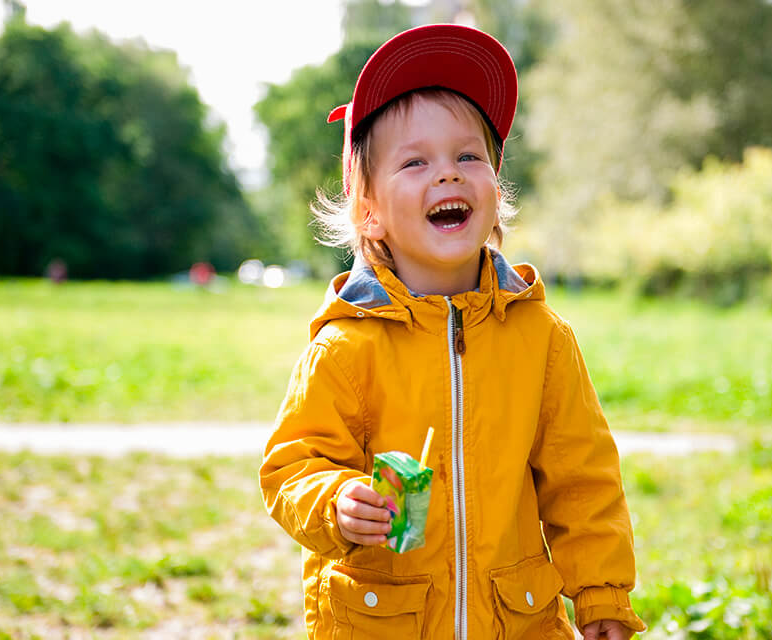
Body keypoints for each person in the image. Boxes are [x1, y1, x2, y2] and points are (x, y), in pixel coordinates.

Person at [260, 24, 646, 640]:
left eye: (469, 156)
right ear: (370, 212)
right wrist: (336, 500)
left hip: (515, 622)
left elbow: (583, 483)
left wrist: (601, 598)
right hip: (384, 621)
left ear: (496, 186)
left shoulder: (541, 339)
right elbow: (294, 465)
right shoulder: (347, 344)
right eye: (415, 162)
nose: (448, 175)